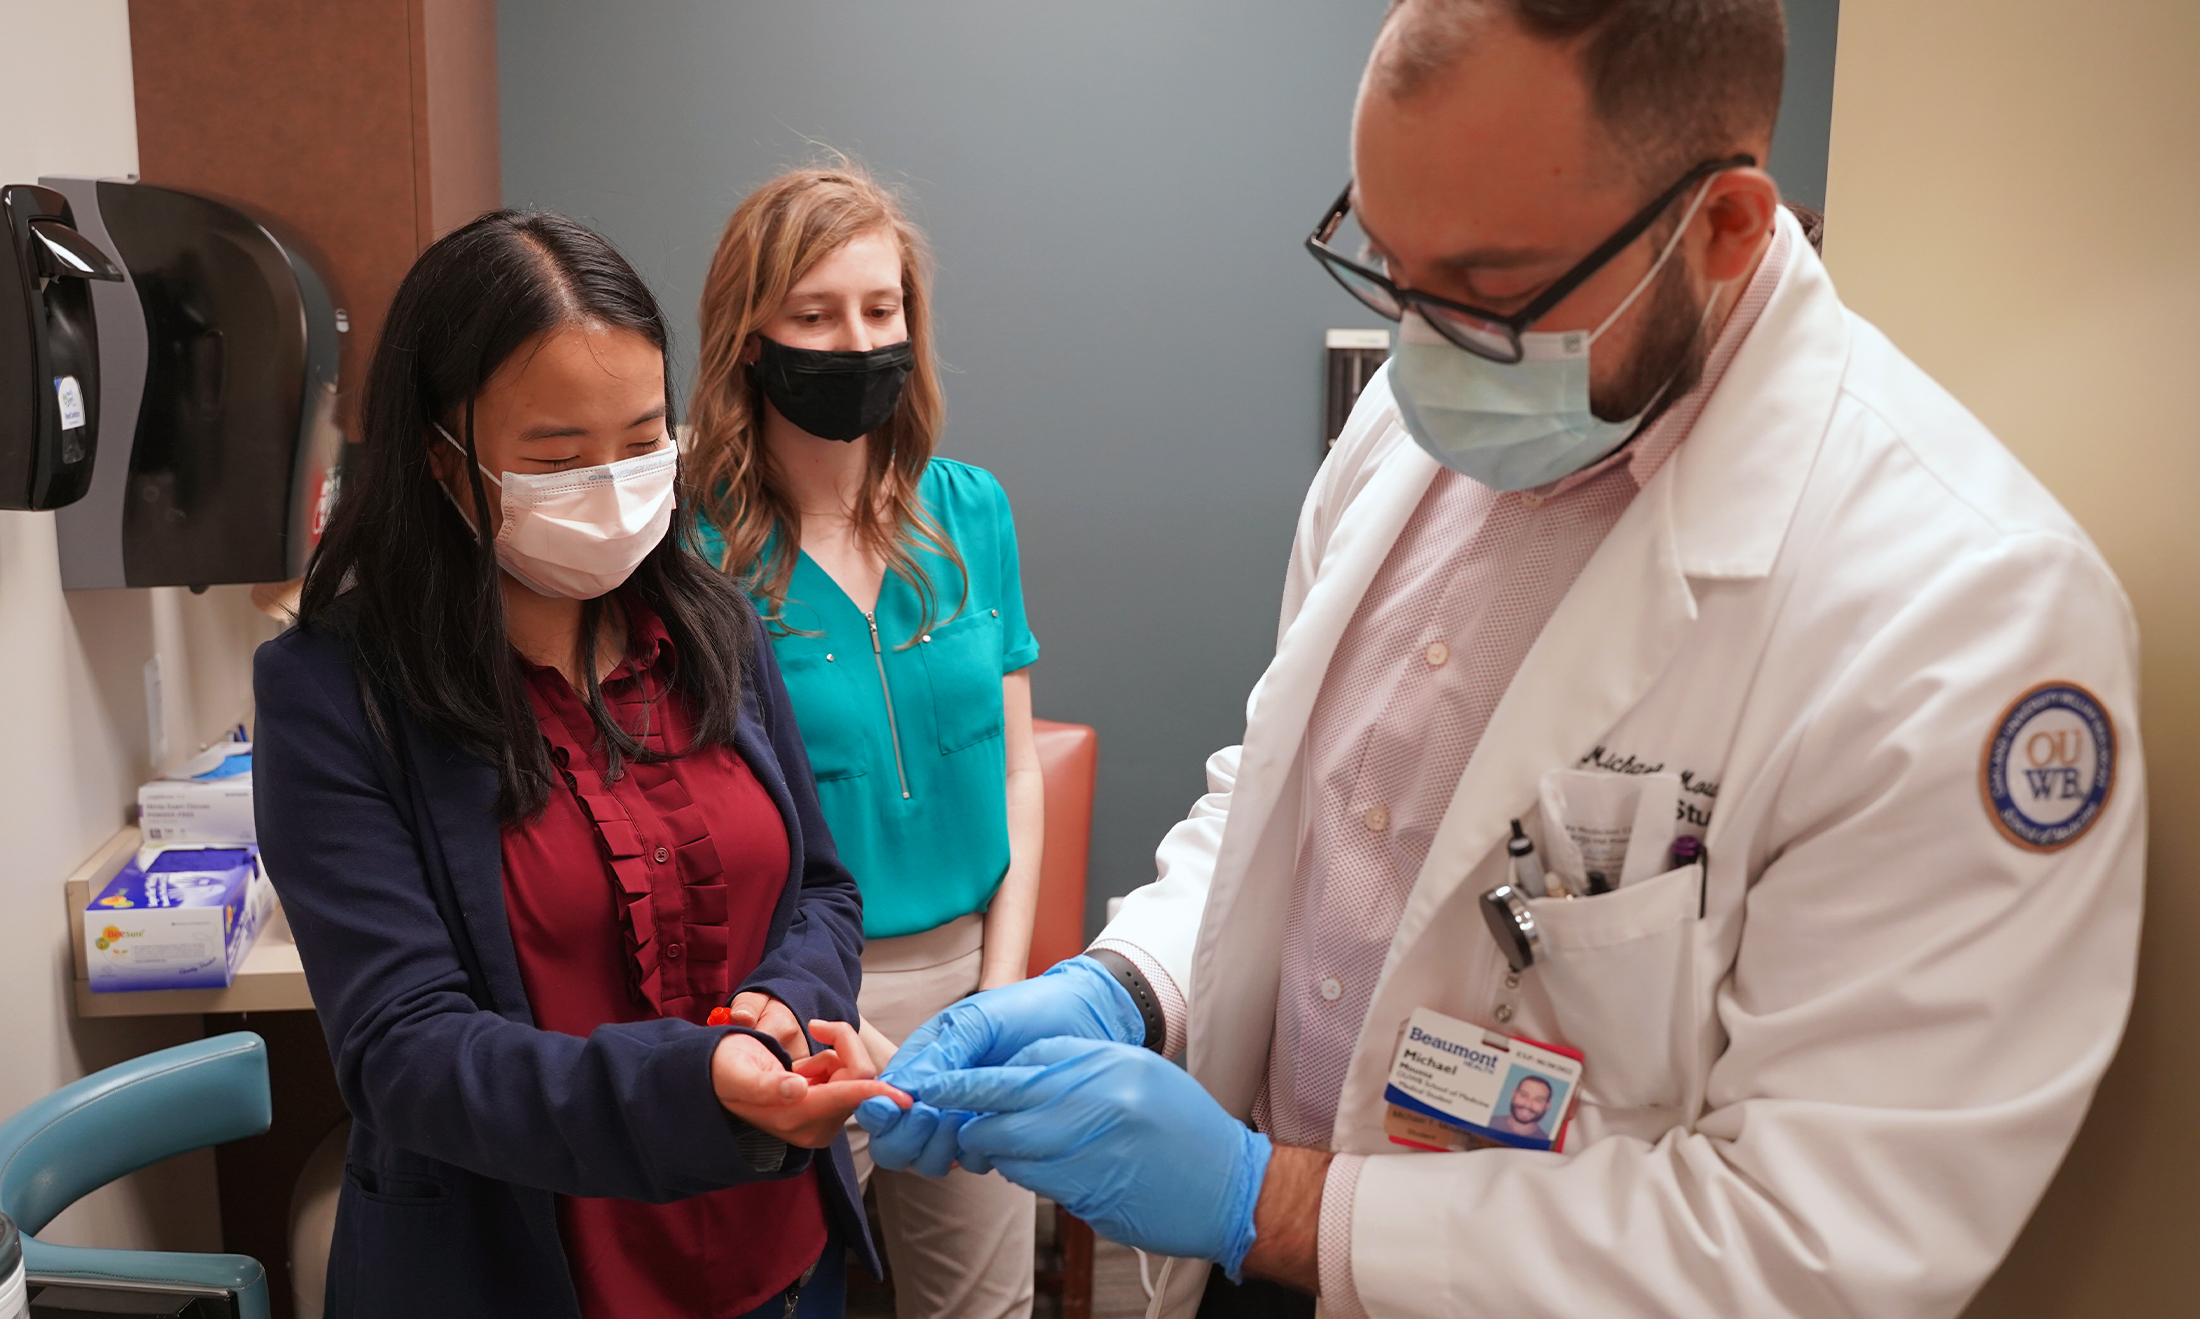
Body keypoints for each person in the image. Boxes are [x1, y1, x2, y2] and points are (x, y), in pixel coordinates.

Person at [858, 3, 2147, 1318]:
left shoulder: (1965, 620)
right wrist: (1133, 986)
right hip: (1250, 1256)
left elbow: (1812, 1244)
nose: (1416, 344)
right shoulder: (1424, 418)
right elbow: (1306, 798)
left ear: (1726, 230)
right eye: (1385, 256)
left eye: (1481, 289)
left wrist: (1271, 1197)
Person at [255, 210, 908, 1319]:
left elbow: (819, 888)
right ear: (439, 454)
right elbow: (405, 1050)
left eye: (644, 439)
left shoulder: (713, 627)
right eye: (557, 458)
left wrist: (785, 1010)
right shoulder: (336, 693)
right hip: (522, 1269)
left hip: (780, 1257)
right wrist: (693, 1085)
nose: (610, 487)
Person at [687, 164, 1043, 1319]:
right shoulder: (688, 556)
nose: (854, 341)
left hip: (971, 978)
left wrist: (999, 993)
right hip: (798, 993)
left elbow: (1017, 770)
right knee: (788, 1295)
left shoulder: (970, 512)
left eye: (880, 311)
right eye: (815, 313)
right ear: (751, 336)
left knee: (983, 1307)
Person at [1488, 1075, 1553, 1141]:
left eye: (1538, 1100)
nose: (1528, 1104)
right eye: (1523, 1095)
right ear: (1513, 1094)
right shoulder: (1488, 1122)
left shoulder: (1546, 1143)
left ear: (1547, 1106)